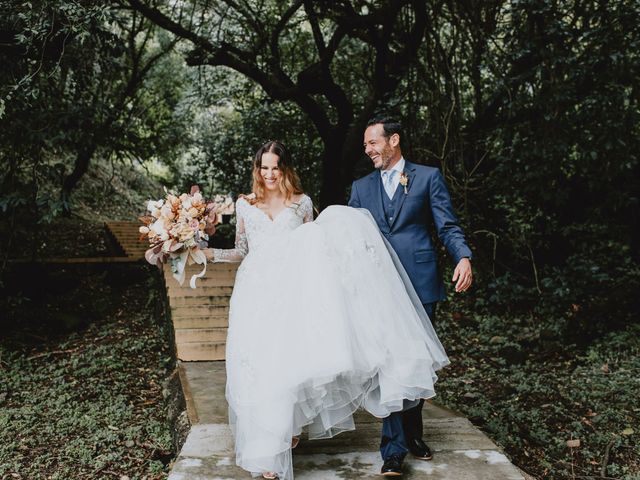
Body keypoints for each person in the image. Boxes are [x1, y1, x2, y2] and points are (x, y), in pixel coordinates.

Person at [204, 140, 450, 480]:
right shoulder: (245, 205)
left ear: (285, 169)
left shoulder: (303, 204)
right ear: (257, 170)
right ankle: (266, 450)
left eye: (276, 167)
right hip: (255, 292)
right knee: (258, 366)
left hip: (292, 293)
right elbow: (240, 250)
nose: (270, 174)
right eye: (264, 168)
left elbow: (317, 251)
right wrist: (207, 254)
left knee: (286, 363)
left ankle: (285, 429)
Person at [348, 116, 473, 476]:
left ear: (394, 141)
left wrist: (462, 256)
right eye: (366, 146)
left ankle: (413, 432)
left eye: (373, 143)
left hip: (420, 282)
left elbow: (446, 224)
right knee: (390, 365)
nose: (368, 150)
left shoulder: (427, 177)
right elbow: (351, 241)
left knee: (415, 362)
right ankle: (393, 449)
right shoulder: (360, 188)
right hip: (379, 289)